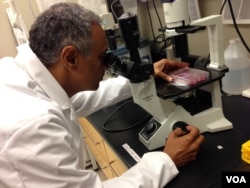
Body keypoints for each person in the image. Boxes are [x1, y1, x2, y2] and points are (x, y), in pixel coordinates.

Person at [0, 2, 204, 188]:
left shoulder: (18, 72)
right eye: (102, 57)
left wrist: (146, 73)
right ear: (70, 58)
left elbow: (75, 101)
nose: (107, 65)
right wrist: (167, 160)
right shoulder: (32, 126)